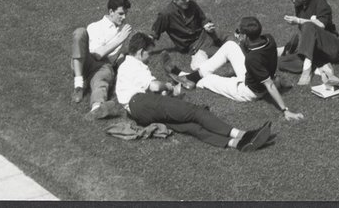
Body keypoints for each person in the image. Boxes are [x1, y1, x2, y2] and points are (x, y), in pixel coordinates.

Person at [116, 32, 275, 150]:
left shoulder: (125, 67)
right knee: (195, 112)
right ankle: (242, 134)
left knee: (190, 126)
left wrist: (166, 95)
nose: (149, 58)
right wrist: (168, 86)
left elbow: (151, 93)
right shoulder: (134, 65)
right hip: (141, 102)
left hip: (138, 113)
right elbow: (155, 86)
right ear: (140, 51)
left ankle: (236, 144)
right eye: (148, 53)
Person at [176, 16, 309, 117]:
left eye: (240, 31)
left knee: (208, 79)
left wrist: (286, 111)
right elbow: (253, 54)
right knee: (230, 45)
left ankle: (183, 76)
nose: (238, 33)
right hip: (252, 75)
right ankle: (189, 76)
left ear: (245, 35)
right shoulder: (269, 38)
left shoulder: (253, 59)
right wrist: (241, 42)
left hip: (248, 91)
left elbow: (269, 85)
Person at [70, 0, 133, 111]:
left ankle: (97, 108)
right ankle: (78, 85)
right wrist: (120, 39)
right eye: (121, 14)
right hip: (87, 61)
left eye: (126, 14)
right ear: (111, 12)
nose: (124, 17)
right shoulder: (96, 27)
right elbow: (97, 55)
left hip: (104, 66)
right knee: (80, 32)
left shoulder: (122, 30)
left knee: (102, 81)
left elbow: (119, 54)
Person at [279, 0, 339, 86]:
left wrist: (298, 20)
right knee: (281, 63)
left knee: (310, 25)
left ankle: (307, 70)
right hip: (315, 52)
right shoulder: (299, 3)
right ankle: (320, 65)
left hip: (332, 48)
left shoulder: (321, 3)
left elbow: (321, 25)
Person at [150, 0, 223, 72]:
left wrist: (206, 25)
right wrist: (141, 50)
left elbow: (203, 19)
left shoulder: (192, 4)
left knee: (232, 40)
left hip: (206, 34)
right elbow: (154, 34)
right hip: (196, 46)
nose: (188, 0)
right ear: (174, 0)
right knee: (222, 53)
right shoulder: (166, 14)